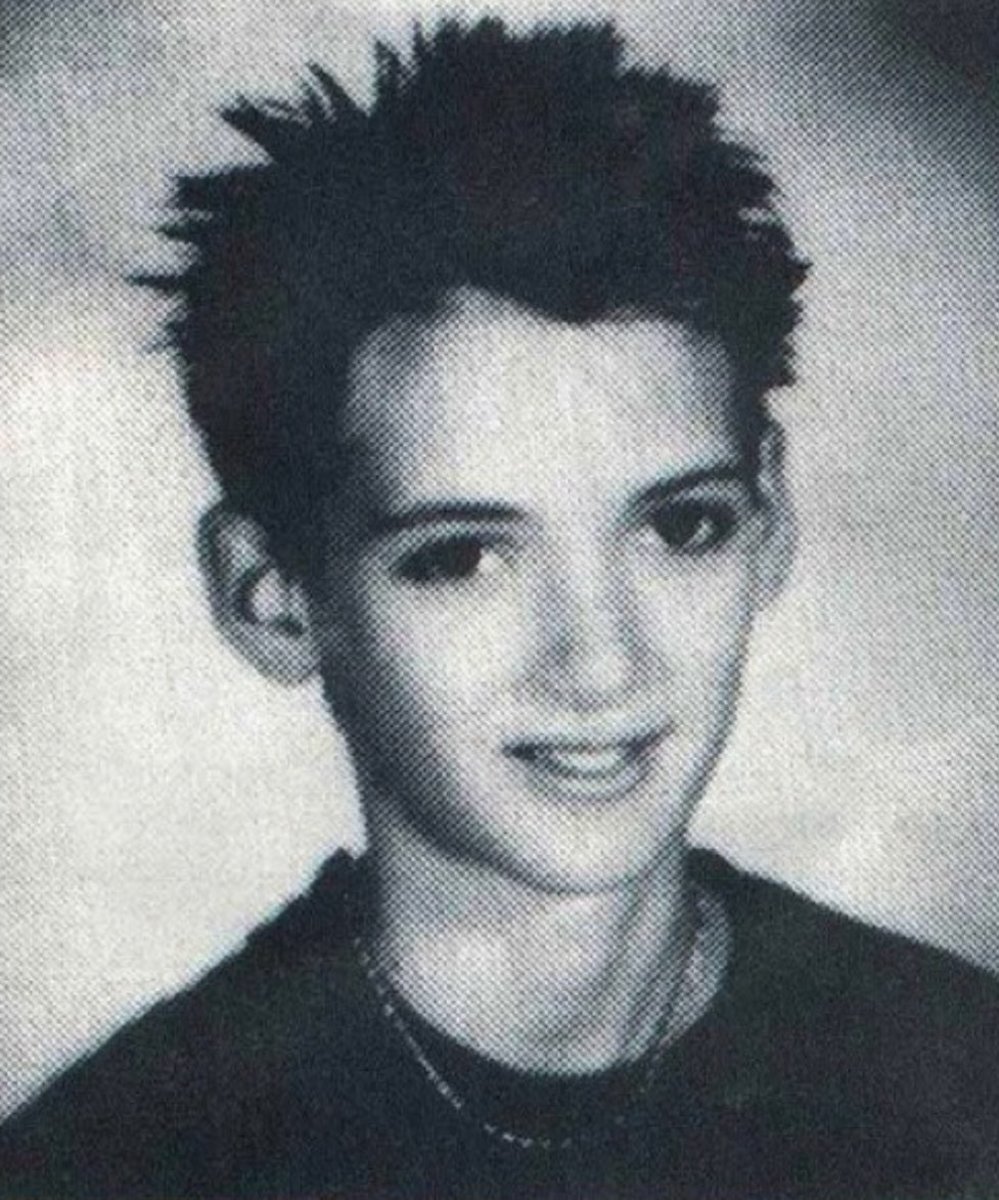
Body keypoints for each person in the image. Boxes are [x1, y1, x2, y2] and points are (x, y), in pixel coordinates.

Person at [1, 18, 997, 1200]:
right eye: (464, 556)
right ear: (271, 595)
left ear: (769, 519)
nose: (600, 665)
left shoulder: (959, 1075)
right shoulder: (111, 1164)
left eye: (680, 527)